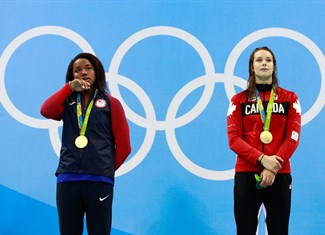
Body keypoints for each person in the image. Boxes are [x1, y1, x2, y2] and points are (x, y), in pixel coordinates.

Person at [40, 52, 131, 235]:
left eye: (88, 68)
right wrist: (68, 88)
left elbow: (125, 147)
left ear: (96, 72)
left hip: (99, 181)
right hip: (68, 179)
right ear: (72, 76)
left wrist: (104, 170)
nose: (83, 73)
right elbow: (46, 110)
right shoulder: (68, 103)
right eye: (77, 70)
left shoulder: (111, 104)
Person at [226, 46, 301, 235]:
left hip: (279, 172)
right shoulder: (238, 100)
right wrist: (261, 159)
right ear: (252, 67)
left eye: (268, 60)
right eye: (258, 60)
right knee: (245, 230)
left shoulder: (290, 98)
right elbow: (234, 139)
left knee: (279, 231)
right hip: (247, 173)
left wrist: (272, 166)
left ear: (274, 66)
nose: (264, 63)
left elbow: (293, 137)